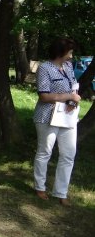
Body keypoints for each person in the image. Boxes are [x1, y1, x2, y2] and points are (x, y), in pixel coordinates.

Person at [33, 38, 80, 206]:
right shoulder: (45, 68)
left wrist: (73, 101)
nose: (72, 55)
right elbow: (44, 96)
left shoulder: (68, 67)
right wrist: (68, 97)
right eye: (70, 51)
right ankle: (40, 187)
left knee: (69, 154)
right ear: (61, 52)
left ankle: (61, 192)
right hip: (47, 116)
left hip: (67, 116)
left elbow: (73, 88)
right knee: (45, 151)